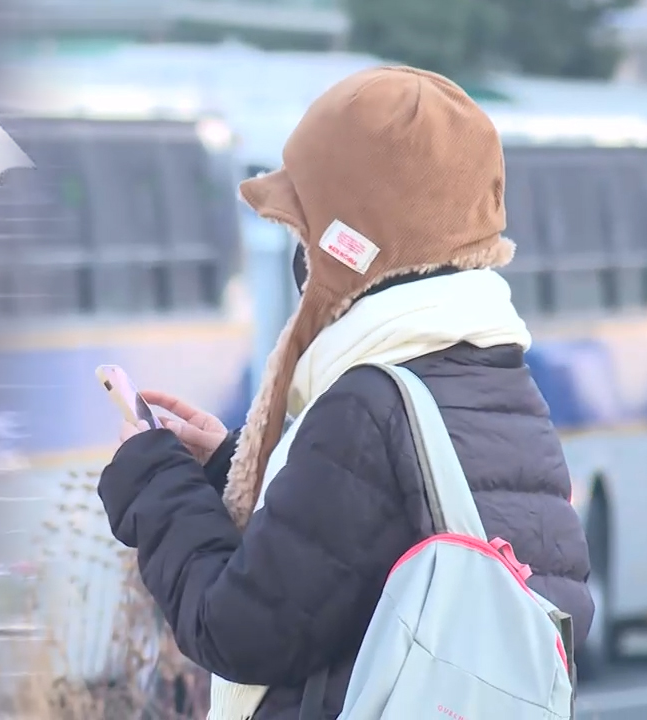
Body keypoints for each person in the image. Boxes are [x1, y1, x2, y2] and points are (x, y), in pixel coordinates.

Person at [96, 67, 594, 719]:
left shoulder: (365, 411)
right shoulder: (496, 381)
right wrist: (228, 469)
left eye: (303, 232)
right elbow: (359, 550)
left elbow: (238, 630)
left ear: (343, 247)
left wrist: (156, 485)